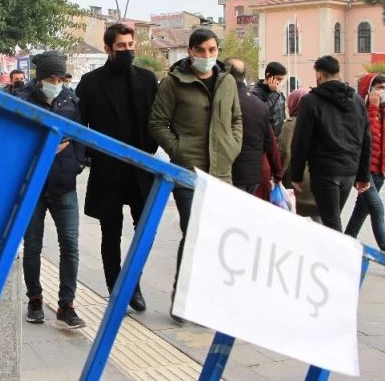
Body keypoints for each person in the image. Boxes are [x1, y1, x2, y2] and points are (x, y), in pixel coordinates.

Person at [149, 28, 243, 323]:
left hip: (221, 173)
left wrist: (232, 147)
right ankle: (182, 299)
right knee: (194, 234)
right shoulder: (174, 83)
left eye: (212, 50)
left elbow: (236, 118)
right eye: (200, 50)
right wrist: (179, 151)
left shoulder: (227, 81)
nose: (206, 56)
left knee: (214, 239)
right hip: (188, 173)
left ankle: (206, 302)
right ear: (190, 51)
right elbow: (157, 122)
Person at [76, 23, 158, 313]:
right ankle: (116, 290)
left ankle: (132, 283)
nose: (127, 51)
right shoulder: (90, 83)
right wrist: (89, 156)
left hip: (140, 169)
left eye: (130, 45)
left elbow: (157, 120)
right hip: (107, 171)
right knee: (110, 234)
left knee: (145, 230)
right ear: (108, 48)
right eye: (121, 46)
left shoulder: (147, 79)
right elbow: (79, 125)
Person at [17, 51, 86, 329]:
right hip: (34, 185)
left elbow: (80, 136)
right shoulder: (23, 101)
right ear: (40, 78)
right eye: (51, 79)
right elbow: (16, 139)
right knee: (33, 245)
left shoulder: (70, 101)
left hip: (64, 184)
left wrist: (77, 164)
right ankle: (34, 299)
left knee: (70, 244)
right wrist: (44, 150)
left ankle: (66, 304)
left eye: (61, 79)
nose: (56, 84)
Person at [290, 55, 371, 232]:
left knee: (331, 224)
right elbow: (366, 138)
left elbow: (301, 140)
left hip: (324, 171)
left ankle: (338, 250)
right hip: (349, 170)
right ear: (338, 73)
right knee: (332, 219)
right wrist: (363, 174)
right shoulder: (356, 100)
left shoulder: (311, 101)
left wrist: (296, 174)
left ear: (319, 74)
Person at [344, 73, 385, 263]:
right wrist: (372, 108)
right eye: (380, 88)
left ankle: (345, 242)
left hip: (380, 171)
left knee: (362, 210)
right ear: (369, 91)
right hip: (364, 171)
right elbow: (367, 136)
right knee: (377, 207)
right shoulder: (361, 111)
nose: (384, 92)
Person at [226, 57, 281, 194]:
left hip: (230, 172)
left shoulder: (223, 102)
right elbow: (270, 143)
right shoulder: (260, 105)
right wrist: (277, 172)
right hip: (254, 173)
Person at [278, 87, 320, 221]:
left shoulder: (291, 124)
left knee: (290, 217)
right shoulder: (319, 121)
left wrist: (278, 174)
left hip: (297, 181)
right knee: (320, 218)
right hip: (318, 179)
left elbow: (285, 152)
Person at [250, 61, 288, 138]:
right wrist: (274, 94)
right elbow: (260, 112)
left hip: (279, 137)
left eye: (281, 80)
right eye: (278, 79)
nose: (279, 82)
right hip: (264, 137)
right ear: (268, 75)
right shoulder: (255, 92)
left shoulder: (279, 92)